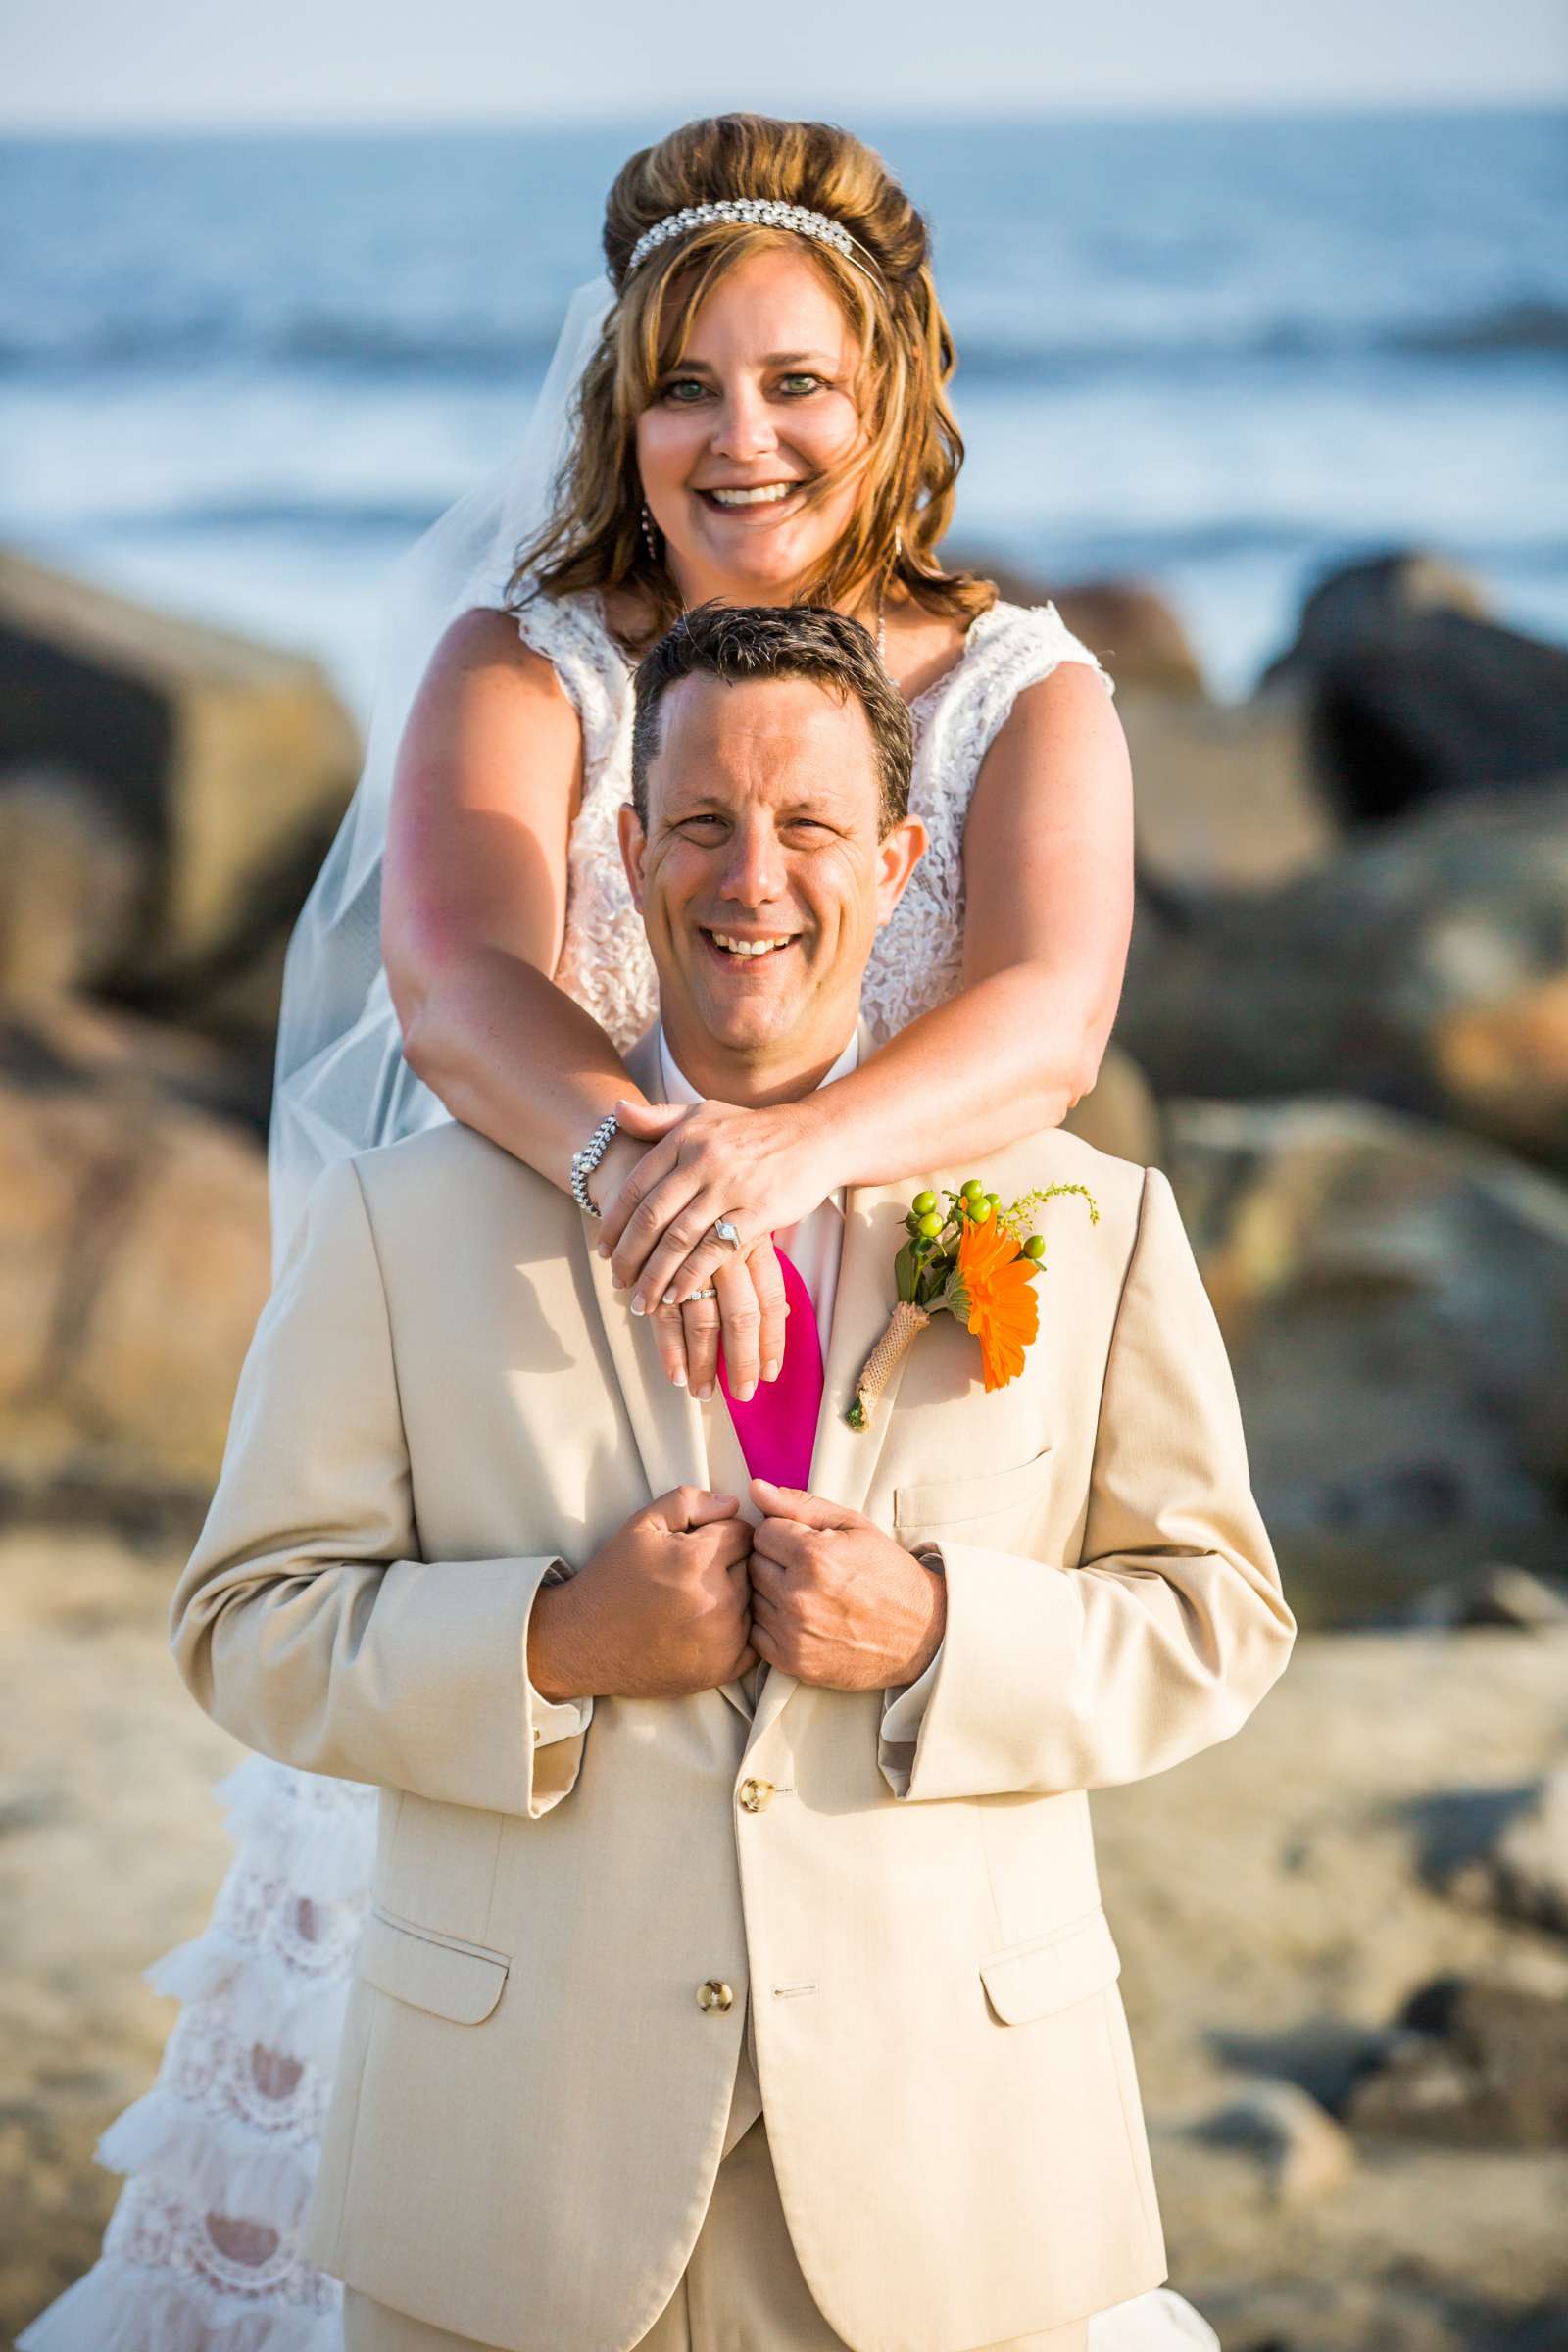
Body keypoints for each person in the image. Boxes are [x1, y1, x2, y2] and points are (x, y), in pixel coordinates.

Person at [18, 113, 1195, 2352]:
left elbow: (1044, 1018)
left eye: (796, 383)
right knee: (440, 2095)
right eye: (684, 384)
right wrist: (654, 1163)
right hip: (531, 1447)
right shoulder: (518, 661)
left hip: (869, 1452)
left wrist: (787, 1155)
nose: (737, 438)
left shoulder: (1025, 690)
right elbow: (461, 984)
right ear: (615, 402)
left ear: (894, 391)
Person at [171, 602, 1296, 2352]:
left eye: (808, 826)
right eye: (699, 823)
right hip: (514, 2198)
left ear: (903, 856)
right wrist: (552, 1646)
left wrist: (940, 1634)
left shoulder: (1089, 1218)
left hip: (955, 2185)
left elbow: (1219, 1623)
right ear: (625, 854)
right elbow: (244, 1625)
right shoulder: (403, 1224)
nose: (749, 876)